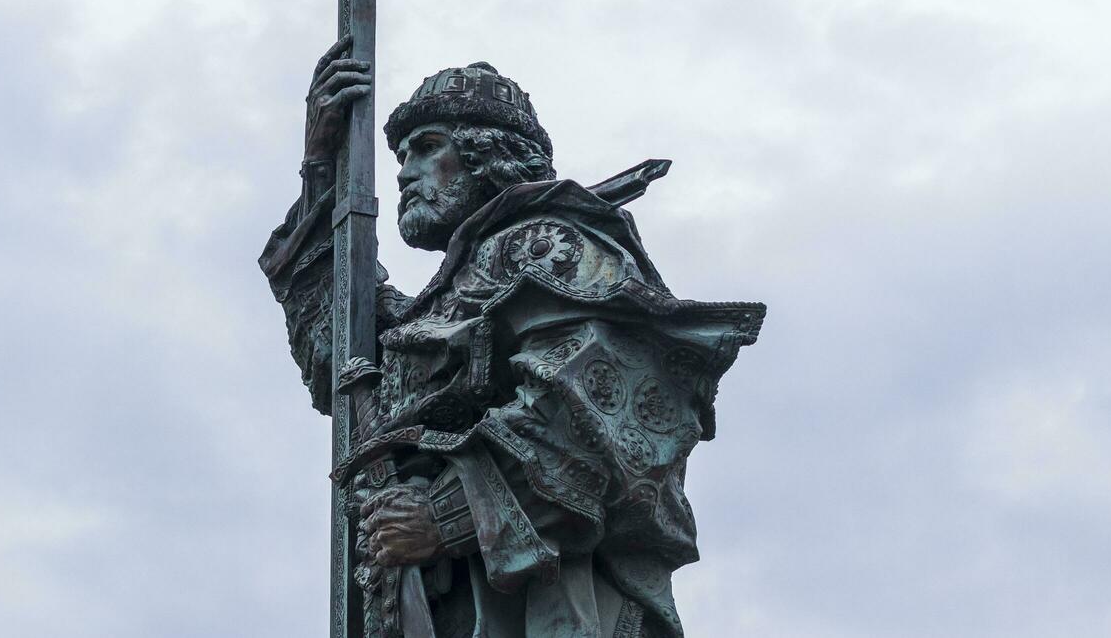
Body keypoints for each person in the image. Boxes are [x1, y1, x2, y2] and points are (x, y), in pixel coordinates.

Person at [260, 39, 765, 638]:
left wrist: (441, 515)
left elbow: (598, 418)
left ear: (487, 155)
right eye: (400, 155)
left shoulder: (550, 245)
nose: (404, 172)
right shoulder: (448, 298)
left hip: (541, 602)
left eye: (426, 149)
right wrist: (322, 171)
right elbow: (339, 344)